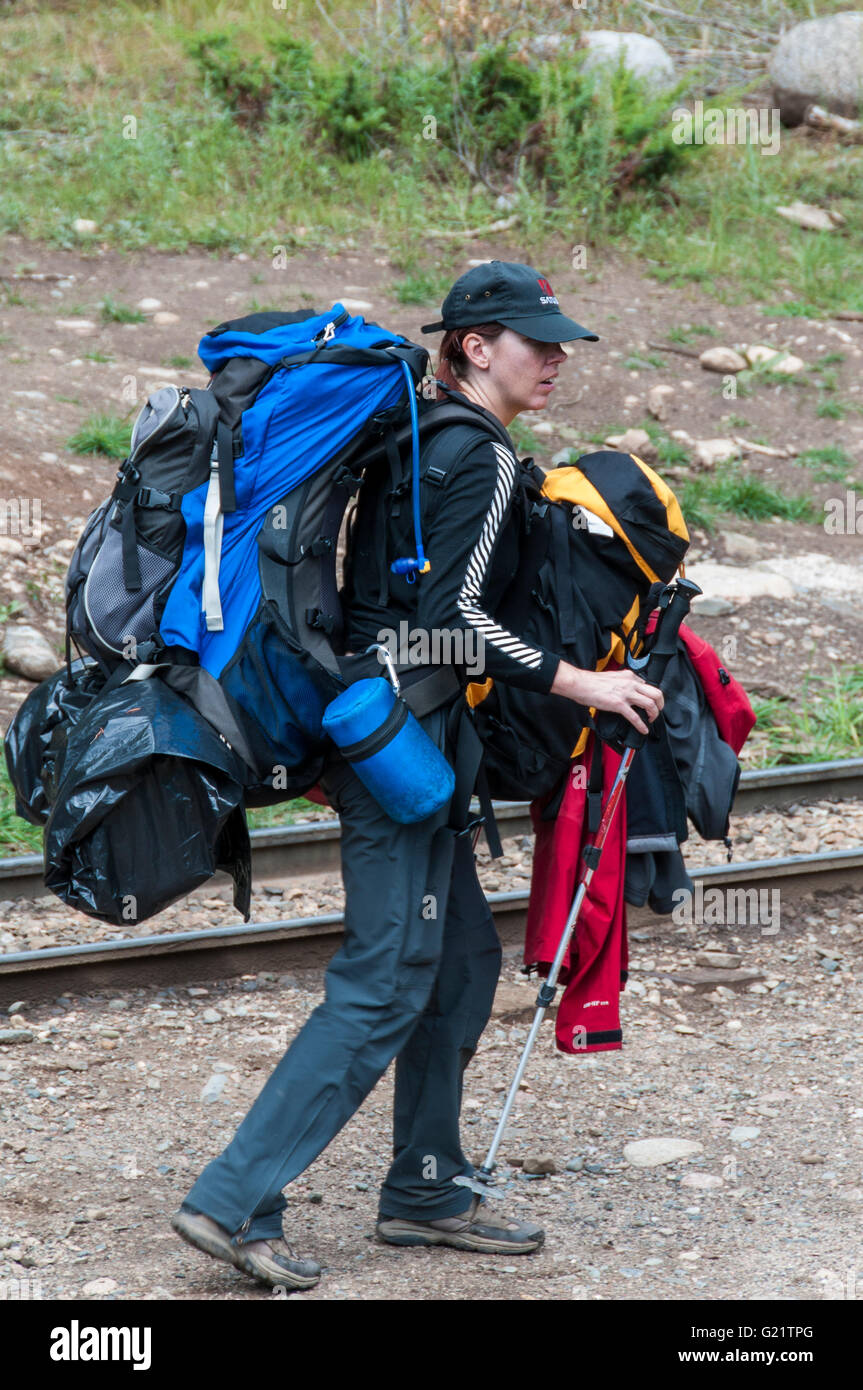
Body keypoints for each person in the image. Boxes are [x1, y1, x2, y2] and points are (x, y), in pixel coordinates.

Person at [170, 260, 664, 1292]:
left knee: (459, 965)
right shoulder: (473, 456)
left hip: (385, 731)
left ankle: (426, 1184)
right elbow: (453, 627)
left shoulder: (413, 433)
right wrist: (585, 682)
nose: (557, 355)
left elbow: (387, 608)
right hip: (403, 745)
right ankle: (235, 1197)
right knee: (386, 978)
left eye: (560, 339)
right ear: (474, 346)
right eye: (537, 341)